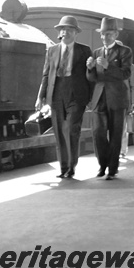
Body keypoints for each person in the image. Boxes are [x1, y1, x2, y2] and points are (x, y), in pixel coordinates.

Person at [36, 15, 92, 179]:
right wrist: (40, 97)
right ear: (59, 33)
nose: (65, 32)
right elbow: (46, 75)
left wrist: (89, 98)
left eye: (69, 29)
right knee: (60, 132)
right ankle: (63, 167)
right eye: (63, 29)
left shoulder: (84, 50)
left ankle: (71, 166)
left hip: (76, 95)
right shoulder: (52, 51)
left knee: (71, 129)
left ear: (76, 33)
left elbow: (89, 75)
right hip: (56, 94)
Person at [86, 17, 133, 180]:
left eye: (108, 34)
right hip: (99, 98)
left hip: (117, 98)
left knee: (115, 134)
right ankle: (102, 165)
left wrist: (109, 66)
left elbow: (126, 73)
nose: (104, 37)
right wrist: (90, 69)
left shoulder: (124, 51)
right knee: (98, 133)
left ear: (116, 34)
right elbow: (92, 78)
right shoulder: (96, 52)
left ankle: (112, 169)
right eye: (102, 34)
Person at [120, 58, 134, 159]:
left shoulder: (130, 66)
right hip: (109, 100)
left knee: (122, 127)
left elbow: (133, 86)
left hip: (124, 100)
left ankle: (122, 150)